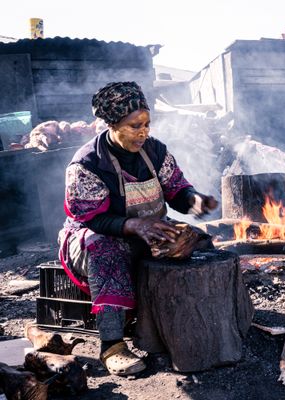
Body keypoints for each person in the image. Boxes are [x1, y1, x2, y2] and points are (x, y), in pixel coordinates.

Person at [58, 81, 218, 376]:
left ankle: (172, 326)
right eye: (134, 126)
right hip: (93, 237)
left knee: (199, 243)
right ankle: (112, 345)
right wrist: (134, 225)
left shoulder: (154, 152)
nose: (143, 132)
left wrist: (195, 201)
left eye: (146, 124)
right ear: (112, 124)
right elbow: (92, 219)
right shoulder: (88, 163)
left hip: (147, 227)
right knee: (108, 250)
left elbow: (176, 190)